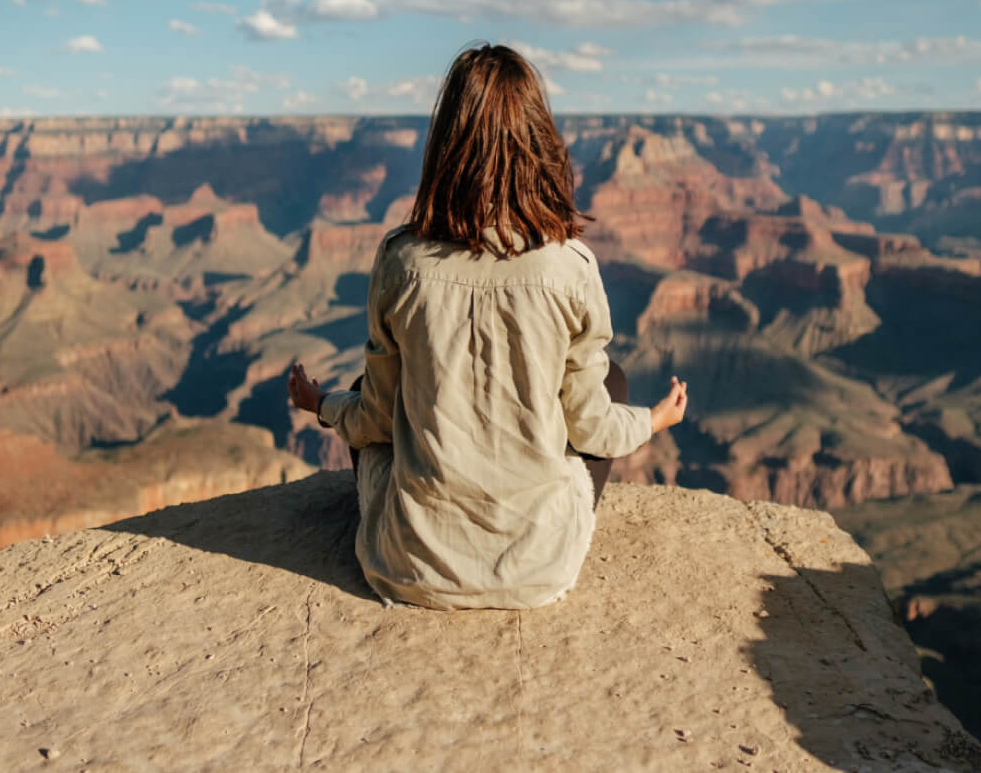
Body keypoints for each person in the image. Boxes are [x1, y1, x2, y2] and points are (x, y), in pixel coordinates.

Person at [288, 43, 688, 610]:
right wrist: (653, 420)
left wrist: (322, 404)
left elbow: (375, 420)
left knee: (363, 389)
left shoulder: (402, 260)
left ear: (446, 145)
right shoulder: (570, 266)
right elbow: (593, 429)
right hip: (539, 571)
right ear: (539, 144)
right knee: (612, 384)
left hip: (410, 568)